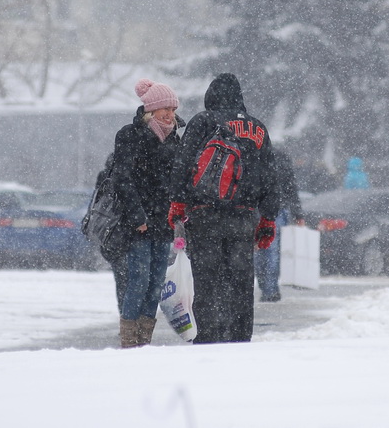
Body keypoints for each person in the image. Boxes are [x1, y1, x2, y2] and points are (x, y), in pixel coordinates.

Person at [167, 73, 278, 344]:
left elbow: (182, 164)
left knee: (207, 278)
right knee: (241, 280)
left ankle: (209, 337)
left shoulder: (204, 122)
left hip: (205, 214)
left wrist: (178, 203)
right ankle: (240, 337)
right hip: (243, 217)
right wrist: (268, 218)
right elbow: (270, 176)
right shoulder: (258, 128)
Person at [109, 78, 183, 348]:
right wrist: (137, 216)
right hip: (138, 222)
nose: (170, 114)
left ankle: (144, 340)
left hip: (163, 221)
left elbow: (177, 181)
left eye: (173, 109)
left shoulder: (175, 139)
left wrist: (178, 214)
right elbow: (123, 179)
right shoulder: (129, 135)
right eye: (165, 108)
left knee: (156, 284)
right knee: (138, 281)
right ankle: (129, 340)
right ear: (151, 110)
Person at [254, 148, 305, 302]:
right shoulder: (281, 158)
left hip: (255, 208)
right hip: (277, 209)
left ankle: (266, 287)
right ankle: (270, 289)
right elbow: (291, 187)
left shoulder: (251, 155)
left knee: (259, 250)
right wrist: (298, 214)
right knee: (272, 251)